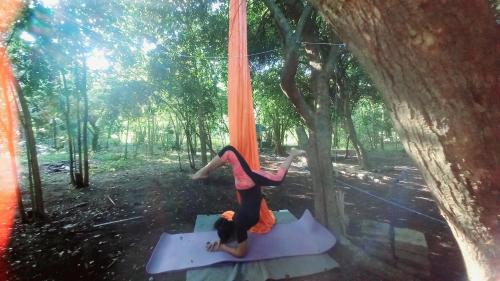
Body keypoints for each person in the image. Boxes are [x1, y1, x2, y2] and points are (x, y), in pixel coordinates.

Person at [191, 145, 305, 257]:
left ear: (233, 235)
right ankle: (292, 154)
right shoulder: (236, 220)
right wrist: (221, 244)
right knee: (229, 151)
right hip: (248, 182)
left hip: (248, 182)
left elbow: (239, 251)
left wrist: (222, 245)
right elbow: (240, 252)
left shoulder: (240, 225)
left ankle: (204, 171)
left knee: (230, 151)